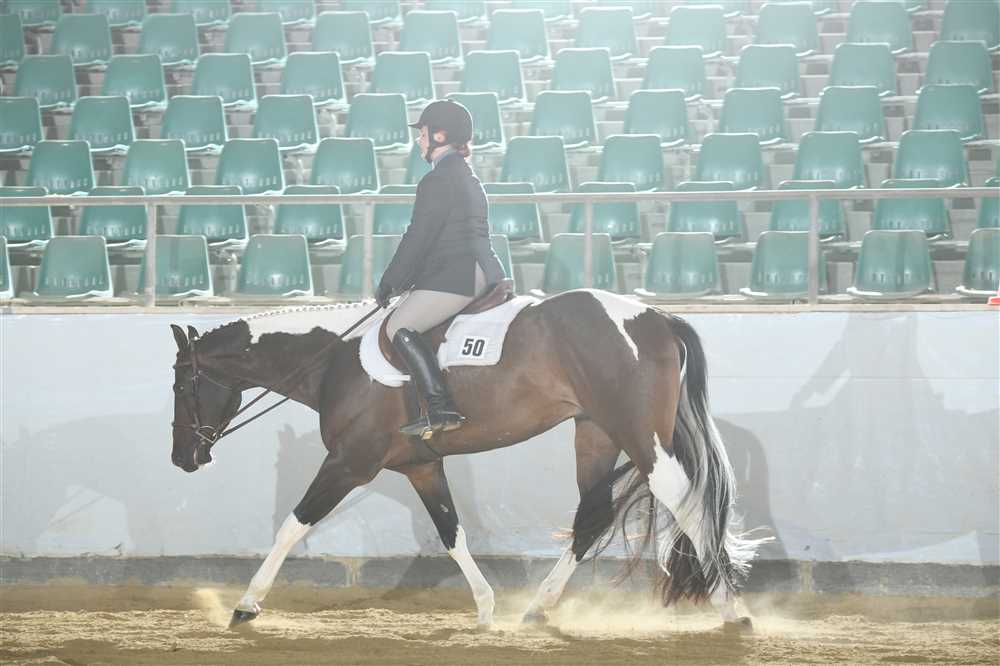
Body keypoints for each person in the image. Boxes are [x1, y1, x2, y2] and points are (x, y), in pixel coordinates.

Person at [376, 99, 506, 439]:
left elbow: (419, 237)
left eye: (422, 134)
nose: (418, 141)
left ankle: (440, 407)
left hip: (458, 273)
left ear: (440, 136)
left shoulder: (438, 180)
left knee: (399, 326)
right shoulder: (464, 175)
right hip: (476, 268)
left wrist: (390, 281)